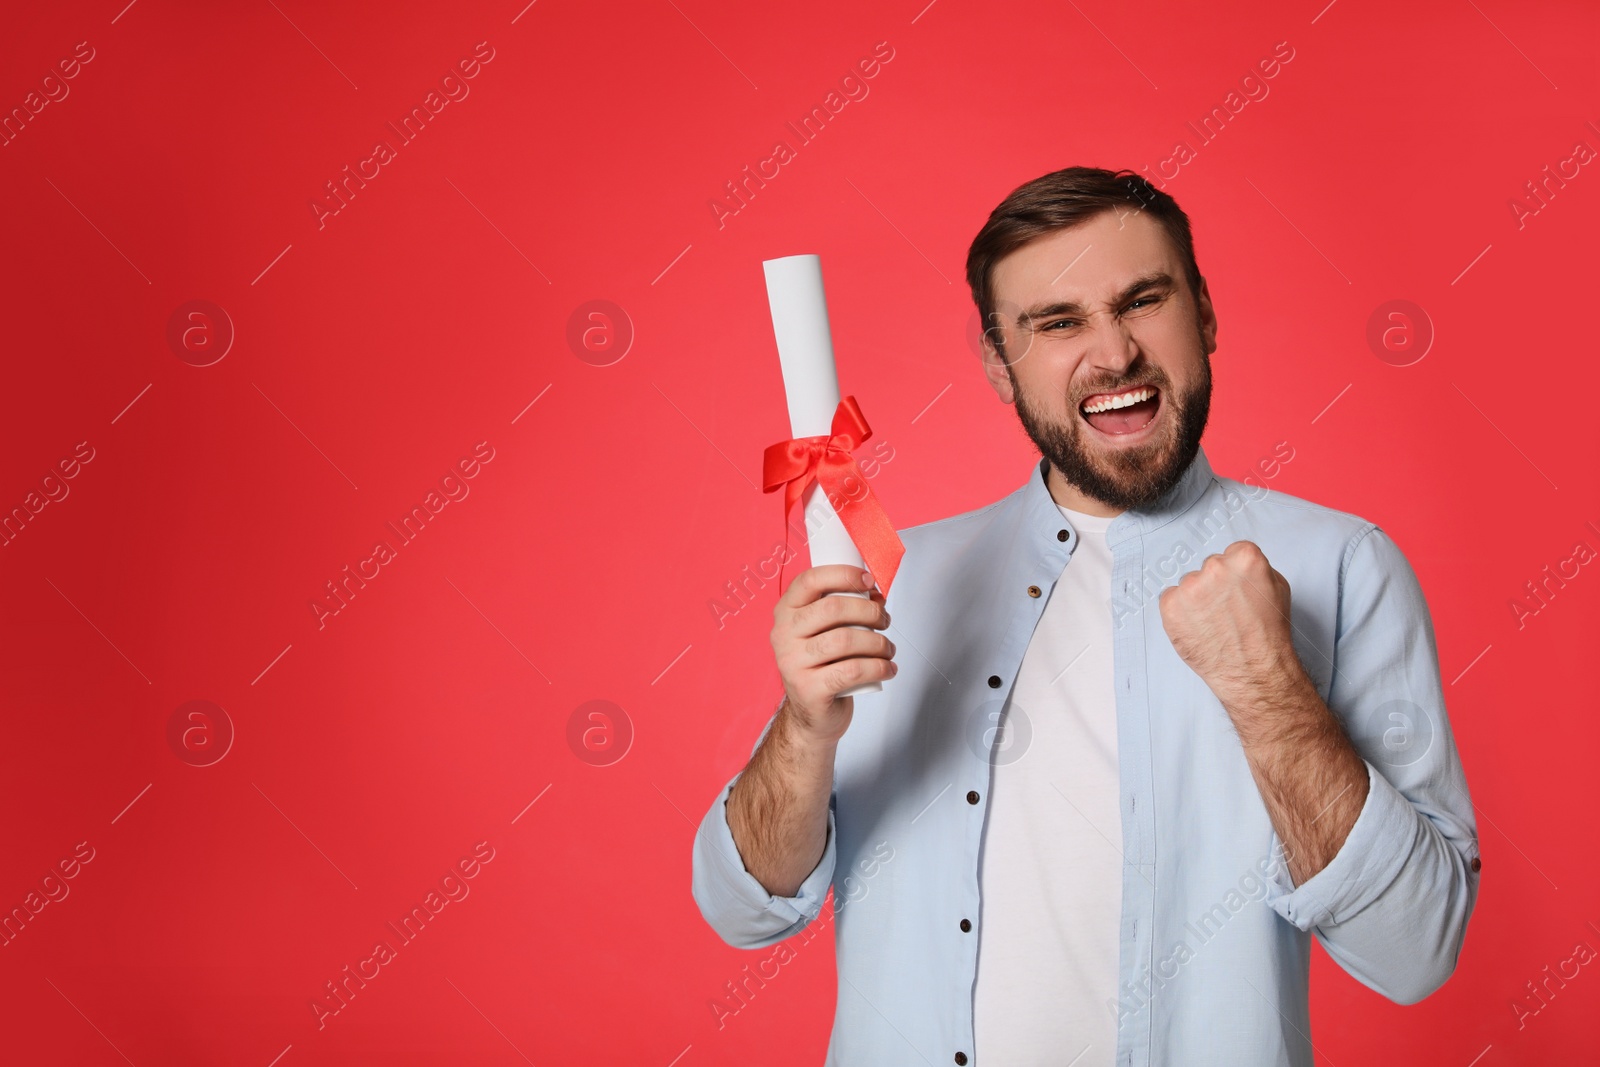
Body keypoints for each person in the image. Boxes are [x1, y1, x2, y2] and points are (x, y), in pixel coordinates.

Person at [690, 166, 1480, 1066]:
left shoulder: (1343, 565)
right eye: (1057, 323)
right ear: (999, 363)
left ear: (1205, 312)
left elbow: (1415, 953)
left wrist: (1268, 693)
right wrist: (804, 729)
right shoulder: (892, 579)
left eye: (1142, 300)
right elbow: (742, 908)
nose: (1112, 354)